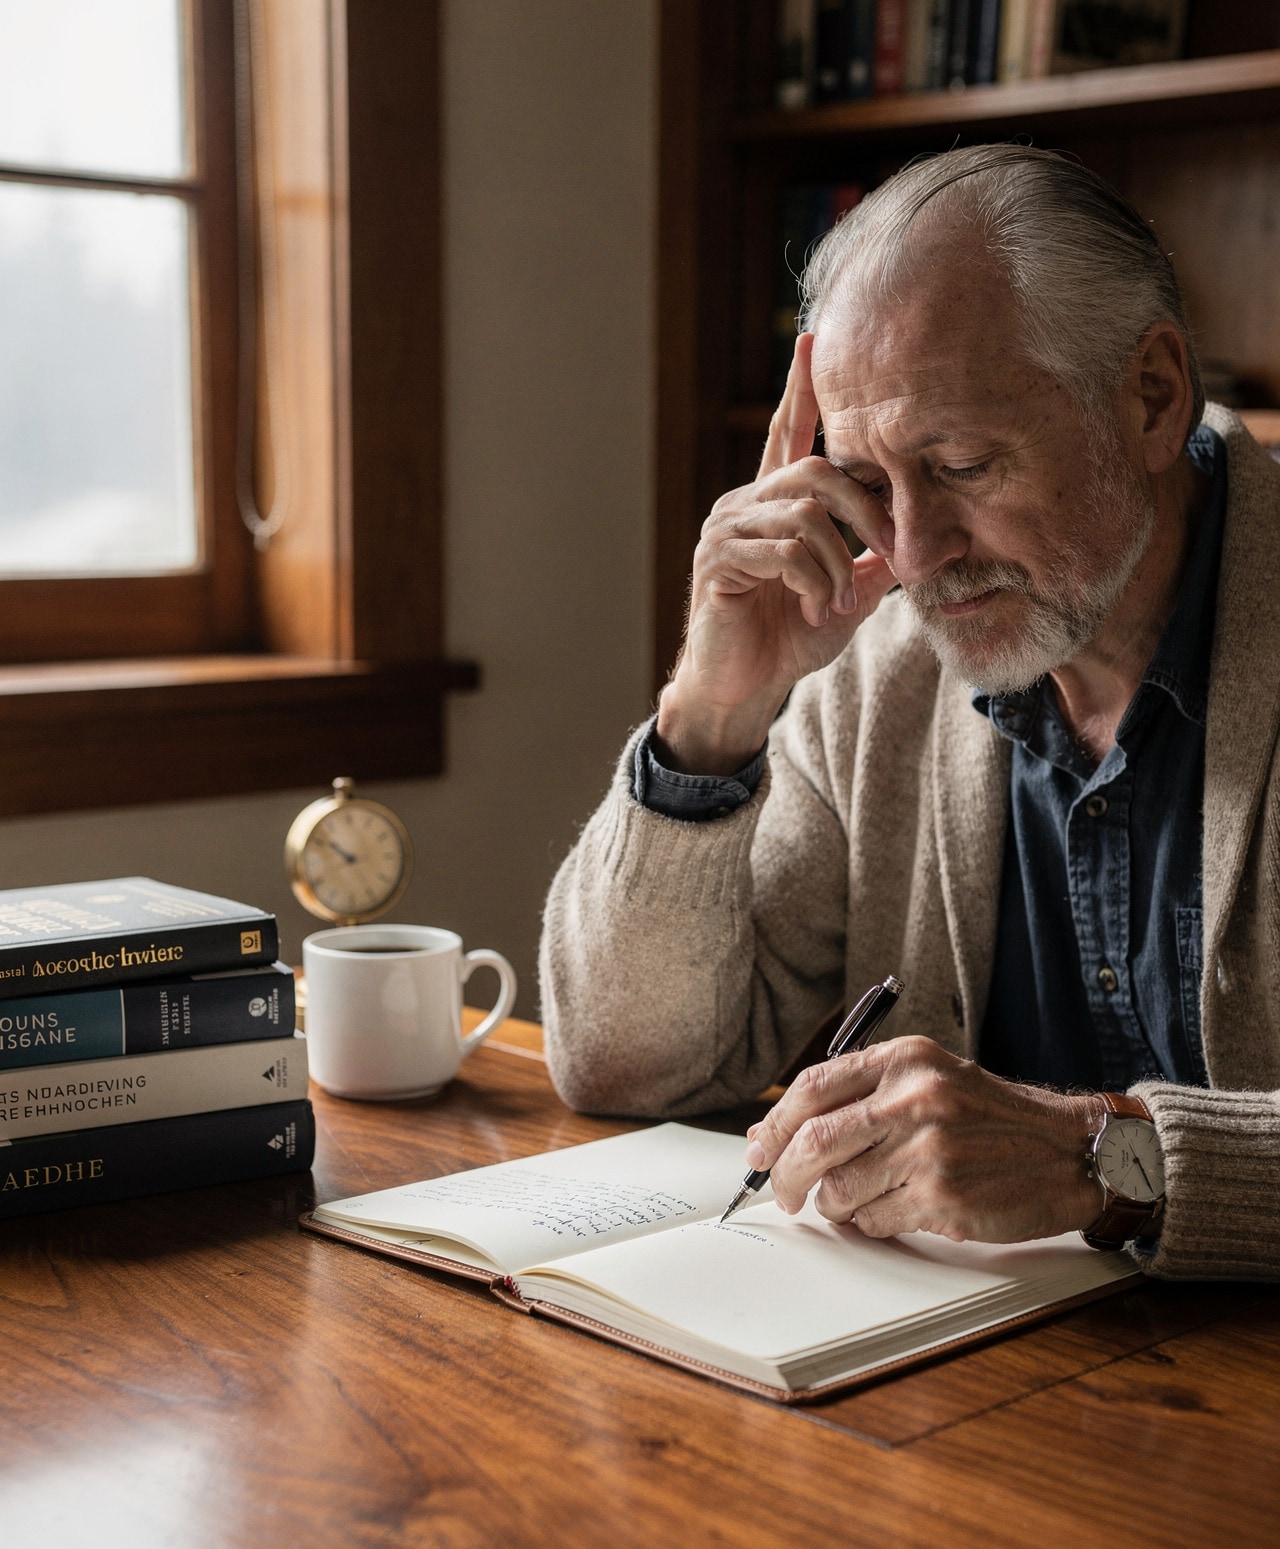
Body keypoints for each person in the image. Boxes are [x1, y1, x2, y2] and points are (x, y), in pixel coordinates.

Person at [539, 145, 1280, 1278]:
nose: (912, 552)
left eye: (962, 463)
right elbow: (622, 1063)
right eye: (866, 480)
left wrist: (1107, 1162)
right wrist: (712, 710)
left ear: (1149, 395)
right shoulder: (877, 665)